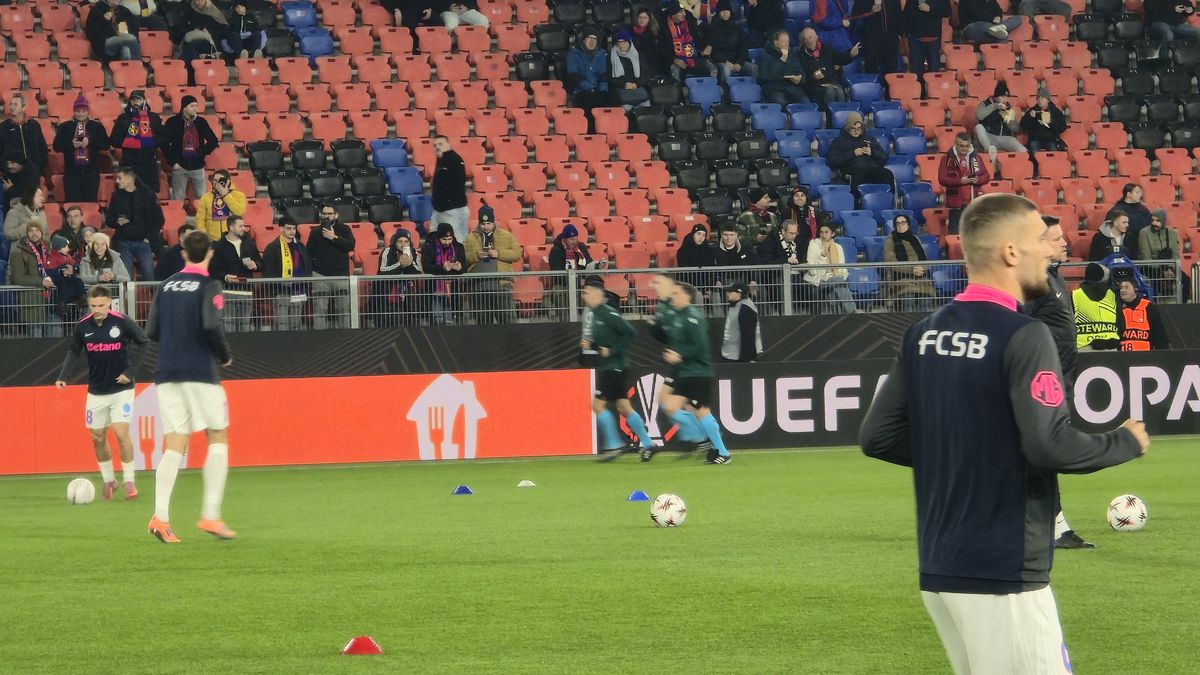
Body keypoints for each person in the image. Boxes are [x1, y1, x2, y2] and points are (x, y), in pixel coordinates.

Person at [859, 193, 1149, 674]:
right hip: (1003, 567)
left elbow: (878, 437)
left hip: (940, 567)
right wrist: (1124, 441)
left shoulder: (923, 334)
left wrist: (969, 454)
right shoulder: (1025, 335)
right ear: (1011, 252)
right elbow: (1049, 444)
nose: (1051, 251)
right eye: (1040, 240)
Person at [145, 231, 236, 543]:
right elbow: (211, 324)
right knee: (217, 436)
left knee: (174, 444)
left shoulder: (166, 285)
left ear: (183, 253)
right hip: (199, 371)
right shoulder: (209, 284)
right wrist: (224, 355)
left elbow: (151, 330)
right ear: (209, 253)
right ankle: (210, 515)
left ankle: (160, 517)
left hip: (167, 371)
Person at [1021, 217, 1096, 550]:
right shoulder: (1033, 282)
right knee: (1043, 453)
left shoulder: (1053, 277)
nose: (1065, 243)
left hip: (1056, 379)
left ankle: (1050, 525)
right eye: (1056, 238)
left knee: (1038, 454)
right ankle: (1054, 528)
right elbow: (1019, 328)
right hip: (1040, 383)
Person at [54, 285, 149, 502]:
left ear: (109, 303)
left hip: (121, 389)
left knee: (121, 432)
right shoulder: (82, 327)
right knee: (97, 437)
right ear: (89, 304)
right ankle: (109, 480)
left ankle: (129, 481)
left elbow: (144, 342)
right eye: (93, 305)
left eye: (101, 305)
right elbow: (73, 351)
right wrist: (63, 376)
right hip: (96, 391)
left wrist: (130, 372)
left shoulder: (122, 322)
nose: (97, 310)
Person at [644, 276, 731, 464]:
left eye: (676, 293)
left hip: (698, 372)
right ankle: (705, 440)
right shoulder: (678, 316)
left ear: (687, 297)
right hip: (685, 372)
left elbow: (700, 346)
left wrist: (679, 355)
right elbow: (669, 337)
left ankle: (722, 452)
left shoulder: (693, 317)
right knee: (669, 406)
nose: (673, 296)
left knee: (702, 412)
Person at [583, 278, 656, 461]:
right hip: (611, 367)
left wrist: (613, 351)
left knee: (597, 405)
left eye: (587, 292)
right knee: (624, 407)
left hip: (614, 367)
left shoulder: (608, 313)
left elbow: (630, 332)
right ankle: (648, 443)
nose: (584, 296)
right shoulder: (596, 314)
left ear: (598, 294)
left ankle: (614, 445)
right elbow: (608, 340)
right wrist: (592, 344)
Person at [463, 205, 521, 324]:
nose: (486, 227)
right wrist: (476, 255)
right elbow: (463, 257)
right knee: (483, 324)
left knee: (507, 322)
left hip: (502, 285)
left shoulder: (506, 235)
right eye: (483, 224)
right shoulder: (470, 238)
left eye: (488, 223)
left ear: (493, 222)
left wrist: (498, 254)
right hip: (478, 287)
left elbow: (517, 254)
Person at [106, 167, 165, 281]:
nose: (117, 181)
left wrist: (149, 237)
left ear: (129, 179)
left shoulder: (148, 195)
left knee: (149, 275)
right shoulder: (116, 196)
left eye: (120, 178)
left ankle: (152, 293)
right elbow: (109, 219)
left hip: (144, 242)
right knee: (125, 278)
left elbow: (159, 219)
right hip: (123, 242)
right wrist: (117, 221)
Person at [53, 94, 112, 203]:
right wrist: (71, 144)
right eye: (78, 111)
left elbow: (106, 144)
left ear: (88, 111)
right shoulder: (64, 127)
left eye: (83, 111)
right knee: (72, 205)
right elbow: (56, 146)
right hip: (72, 174)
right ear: (73, 111)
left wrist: (90, 142)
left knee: (90, 204)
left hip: (91, 173)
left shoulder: (97, 127)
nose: (81, 114)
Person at [210, 216, 262, 332]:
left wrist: (256, 265)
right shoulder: (218, 246)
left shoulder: (249, 244)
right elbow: (212, 269)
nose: (244, 228)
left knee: (245, 324)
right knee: (227, 323)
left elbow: (260, 263)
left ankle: (245, 345)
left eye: (244, 225)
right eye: (240, 226)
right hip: (227, 291)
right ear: (231, 227)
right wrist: (225, 277)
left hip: (246, 291)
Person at [307, 204, 355, 329]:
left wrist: (334, 237)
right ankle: (319, 337)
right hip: (320, 275)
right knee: (319, 310)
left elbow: (350, 245)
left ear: (336, 215)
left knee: (344, 309)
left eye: (329, 213)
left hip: (341, 275)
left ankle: (345, 336)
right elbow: (309, 253)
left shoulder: (344, 229)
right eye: (324, 214)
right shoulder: (315, 232)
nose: (326, 216)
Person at [163, 95, 219, 201]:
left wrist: (201, 152)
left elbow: (213, 141)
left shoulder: (201, 122)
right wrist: (173, 162)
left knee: (202, 198)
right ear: (184, 107)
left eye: (196, 106)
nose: (195, 108)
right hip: (179, 166)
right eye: (192, 106)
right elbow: (164, 143)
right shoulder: (172, 122)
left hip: (197, 166)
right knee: (178, 199)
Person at [110, 91, 165, 193]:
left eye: (138, 99)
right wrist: (127, 142)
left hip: (148, 164)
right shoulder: (123, 119)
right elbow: (113, 139)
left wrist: (152, 142)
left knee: (149, 195)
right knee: (126, 194)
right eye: (133, 99)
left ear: (144, 101)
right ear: (130, 102)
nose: (136, 102)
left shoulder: (153, 118)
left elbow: (164, 138)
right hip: (129, 163)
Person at [262, 220, 312, 331]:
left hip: (298, 290)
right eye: (289, 228)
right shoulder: (272, 248)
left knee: (296, 323)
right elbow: (268, 270)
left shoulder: (300, 246)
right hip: (280, 291)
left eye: (294, 229)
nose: (292, 231)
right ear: (281, 229)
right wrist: (274, 290)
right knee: (282, 323)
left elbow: (307, 265)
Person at [7, 223, 55, 336]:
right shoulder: (18, 252)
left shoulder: (48, 249)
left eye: (37, 230)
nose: (34, 233)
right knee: (36, 336)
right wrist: (41, 281)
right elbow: (18, 278)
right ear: (27, 233)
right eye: (31, 230)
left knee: (55, 334)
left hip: (51, 300)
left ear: (41, 233)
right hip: (31, 301)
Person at [826, 112, 894, 192]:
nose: (856, 131)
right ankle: (856, 200)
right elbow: (832, 161)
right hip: (852, 170)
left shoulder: (870, 139)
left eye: (859, 128)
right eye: (853, 128)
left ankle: (889, 198)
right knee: (857, 176)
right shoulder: (839, 141)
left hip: (872, 169)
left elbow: (884, 158)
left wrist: (872, 153)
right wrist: (853, 153)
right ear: (847, 128)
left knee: (887, 174)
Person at [938, 132, 991, 233]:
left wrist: (977, 180)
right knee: (954, 233)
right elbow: (942, 179)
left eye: (967, 146)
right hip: (955, 203)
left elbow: (986, 176)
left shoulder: (976, 157)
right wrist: (960, 181)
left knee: (972, 233)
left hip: (972, 202)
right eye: (961, 146)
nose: (964, 149)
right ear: (955, 144)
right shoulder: (946, 159)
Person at [883, 214, 934, 311]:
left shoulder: (915, 239)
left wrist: (922, 269)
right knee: (908, 297)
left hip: (920, 278)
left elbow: (925, 260)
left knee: (925, 299)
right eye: (897, 223)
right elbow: (891, 263)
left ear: (908, 225)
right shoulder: (890, 241)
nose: (900, 225)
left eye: (903, 222)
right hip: (900, 278)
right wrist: (912, 270)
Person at [567, 28, 614, 132]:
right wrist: (590, 87)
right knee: (590, 104)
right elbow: (574, 76)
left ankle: (609, 131)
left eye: (594, 39)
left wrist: (603, 90)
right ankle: (591, 132)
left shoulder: (601, 54)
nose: (592, 41)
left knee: (612, 99)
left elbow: (603, 74)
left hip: (597, 90)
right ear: (583, 40)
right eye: (589, 38)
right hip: (581, 90)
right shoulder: (573, 54)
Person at [373, 227, 423, 326]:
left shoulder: (414, 252)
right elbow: (383, 270)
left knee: (411, 322)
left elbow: (418, 271)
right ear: (395, 242)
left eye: (406, 241)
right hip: (387, 292)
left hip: (408, 292)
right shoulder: (387, 251)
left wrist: (410, 263)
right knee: (388, 322)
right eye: (400, 241)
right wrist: (400, 265)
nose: (403, 244)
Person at [797, 28, 858, 106]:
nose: (809, 41)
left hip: (831, 82)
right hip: (814, 86)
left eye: (810, 37)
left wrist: (851, 55)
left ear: (816, 37)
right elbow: (802, 78)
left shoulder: (826, 49)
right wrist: (813, 77)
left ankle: (840, 113)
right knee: (830, 91)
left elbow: (840, 58)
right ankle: (829, 113)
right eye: (805, 39)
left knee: (840, 92)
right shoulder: (801, 56)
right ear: (803, 41)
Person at [805, 223, 857, 314]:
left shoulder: (838, 247)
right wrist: (823, 256)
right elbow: (812, 271)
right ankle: (852, 312)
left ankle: (837, 316)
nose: (823, 235)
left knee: (835, 289)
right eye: (821, 232)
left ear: (832, 234)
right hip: (818, 279)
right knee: (838, 281)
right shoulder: (814, 245)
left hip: (834, 278)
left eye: (826, 232)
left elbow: (842, 267)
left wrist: (839, 275)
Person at [422, 222, 466, 325]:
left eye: (450, 239)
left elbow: (464, 266)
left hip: (453, 289)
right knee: (437, 320)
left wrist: (460, 267)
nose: (447, 242)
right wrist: (442, 268)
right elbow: (427, 267)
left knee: (450, 321)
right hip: (434, 289)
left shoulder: (458, 247)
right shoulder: (429, 247)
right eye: (444, 239)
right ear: (438, 238)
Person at [704, 1, 757, 83]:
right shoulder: (712, 28)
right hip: (720, 62)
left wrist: (739, 63)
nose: (725, 13)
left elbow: (743, 47)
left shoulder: (736, 28)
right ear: (718, 12)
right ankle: (725, 90)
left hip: (736, 61)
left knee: (753, 68)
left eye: (727, 10)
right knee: (725, 70)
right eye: (722, 11)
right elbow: (713, 49)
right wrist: (726, 62)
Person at [0, 94, 47, 184]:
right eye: (11, 104)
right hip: (11, 174)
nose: (12, 107)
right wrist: (5, 168)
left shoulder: (34, 125)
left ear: (24, 107)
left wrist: (37, 167)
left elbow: (42, 149)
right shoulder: (3, 127)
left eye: (15, 104)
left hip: (32, 173)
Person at [1073, 262, 1120, 352]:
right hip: (1110, 347)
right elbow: (1121, 323)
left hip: (1084, 348)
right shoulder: (1112, 296)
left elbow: (1068, 325)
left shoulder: (1074, 295)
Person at [663, 1, 716, 79]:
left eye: (684, 11)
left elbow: (706, 31)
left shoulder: (689, 20)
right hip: (676, 60)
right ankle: (679, 87)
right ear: (673, 15)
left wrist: (709, 45)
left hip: (695, 57)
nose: (684, 14)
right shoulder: (664, 27)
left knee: (712, 68)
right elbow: (662, 48)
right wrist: (674, 60)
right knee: (674, 70)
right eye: (680, 12)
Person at [431, 136, 469, 242]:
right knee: (433, 238)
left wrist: (447, 201)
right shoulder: (441, 160)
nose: (437, 147)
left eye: (440, 144)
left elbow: (458, 183)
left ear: (448, 144)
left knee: (455, 240)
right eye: (435, 145)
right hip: (440, 209)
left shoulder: (454, 160)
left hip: (452, 210)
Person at [1140, 209, 1185, 300]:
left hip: (1169, 267)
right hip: (1152, 267)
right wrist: (1163, 271)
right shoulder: (1144, 232)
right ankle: (1154, 304)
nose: (1154, 223)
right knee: (1156, 280)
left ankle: (1184, 304)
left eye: (1157, 220)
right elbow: (1146, 257)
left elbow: (1175, 254)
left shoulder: (1172, 233)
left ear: (1163, 221)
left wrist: (1170, 269)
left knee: (1185, 279)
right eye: (1152, 220)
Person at [975, 82, 1026, 161]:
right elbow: (979, 115)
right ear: (996, 97)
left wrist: (1010, 121)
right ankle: (989, 150)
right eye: (1003, 97)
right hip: (989, 137)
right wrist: (995, 106)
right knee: (978, 127)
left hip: (1004, 138)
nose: (1005, 99)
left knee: (1022, 150)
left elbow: (1017, 130)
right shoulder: (985, 104)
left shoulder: (1009, 108)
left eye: (1007, 97)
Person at [849, 0, 902, 75]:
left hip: (891, 38)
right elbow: (855, 16)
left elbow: (898, 14)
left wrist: (899, 33)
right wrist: (871, 11)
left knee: (891, 69)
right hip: (870, 39)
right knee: (871, 68)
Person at [1116, 278, 1169, 351]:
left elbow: (1159, 333)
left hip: (1146, 356)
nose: (1122, 290)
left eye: (1126, 287)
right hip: (1123, 356)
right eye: (1121, 288)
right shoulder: (1118, 309)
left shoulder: (1148, 307)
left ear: (1135, 289)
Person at [757, 30, 809, 105]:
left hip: (791, 87)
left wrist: (799, 79)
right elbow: (766, 76)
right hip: (774, 88)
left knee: (805, 101)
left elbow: (800, 71)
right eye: (784, 42)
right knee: (780, 101)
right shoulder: (766, 56)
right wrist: (782, 59)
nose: (787, 44)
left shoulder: (792, 55)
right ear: (776, 43)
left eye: (787, 42)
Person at [903, 0, 950, 79]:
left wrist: (930, 9)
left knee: (934, 75)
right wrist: (906, 35)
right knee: (916, 76)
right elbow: (906, 14)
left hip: (933, 38)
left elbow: (947, 12)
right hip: (915, 39)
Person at [195, 169, 247, 240]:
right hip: (211, 240)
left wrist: (225, 195)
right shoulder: (206, 197)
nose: (217, 183)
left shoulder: (238, 195)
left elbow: (239, 212)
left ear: (228, 181)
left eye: (220, 180)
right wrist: (205, 237)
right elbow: (200, 220)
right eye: (215, 180)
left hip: (232, 238)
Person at [676, 223, 718, 303]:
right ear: (693, 235)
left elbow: (711, 270)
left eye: (703, 235)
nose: (701, 237)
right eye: (698, 234)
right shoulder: (683, 251)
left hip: (704, 286)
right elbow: (685, 272)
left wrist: (709, 288)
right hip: (688, 286)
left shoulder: (708, 251)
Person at [720, 282, 761, 362]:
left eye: (731, 292)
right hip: (732, 353)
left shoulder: (745, 309)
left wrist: (747, 359)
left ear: (739, 294)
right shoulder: (736, 305)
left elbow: (748, 336)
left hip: (739, 356)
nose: (727, 293)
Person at [609, 32, 651, 110]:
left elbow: (645, 74)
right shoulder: (611, 56)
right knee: (626, 108)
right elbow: (610, 77)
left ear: (629, 42)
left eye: (624, 42)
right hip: (621, 90)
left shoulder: (638, 55)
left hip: (637, 88)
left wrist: (637, 84)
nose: (621, 45)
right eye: (619, 42)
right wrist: (624, 85)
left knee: (646, 106)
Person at [1020, 90, 1068, 154]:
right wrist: (1030, 117)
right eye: (1038, 98)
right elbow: (1022, 126)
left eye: (1042, 98)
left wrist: (1051, 122)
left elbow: (1063, 127)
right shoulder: (1032, 111)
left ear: (1048, 100)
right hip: (1035, 139)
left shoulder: (1055, 111)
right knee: (1034, 152)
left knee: (1054, 153)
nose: (1040, 100)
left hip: (1051, 140)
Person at [958, 0, 1023, 43]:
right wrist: (992, 19)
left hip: (992, 24)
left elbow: (998, 10)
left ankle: (999, 27)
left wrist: (998, 16)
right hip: (973, 26)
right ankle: (997, 28)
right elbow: (976, 14)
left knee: (1017, 19)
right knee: (1001, 36)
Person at [629, 8, 667, 78]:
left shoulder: (655, 33)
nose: (642, 20)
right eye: (640, 17)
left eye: (644, 18)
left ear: (649, 19)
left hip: (651, 65)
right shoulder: (631, 31)